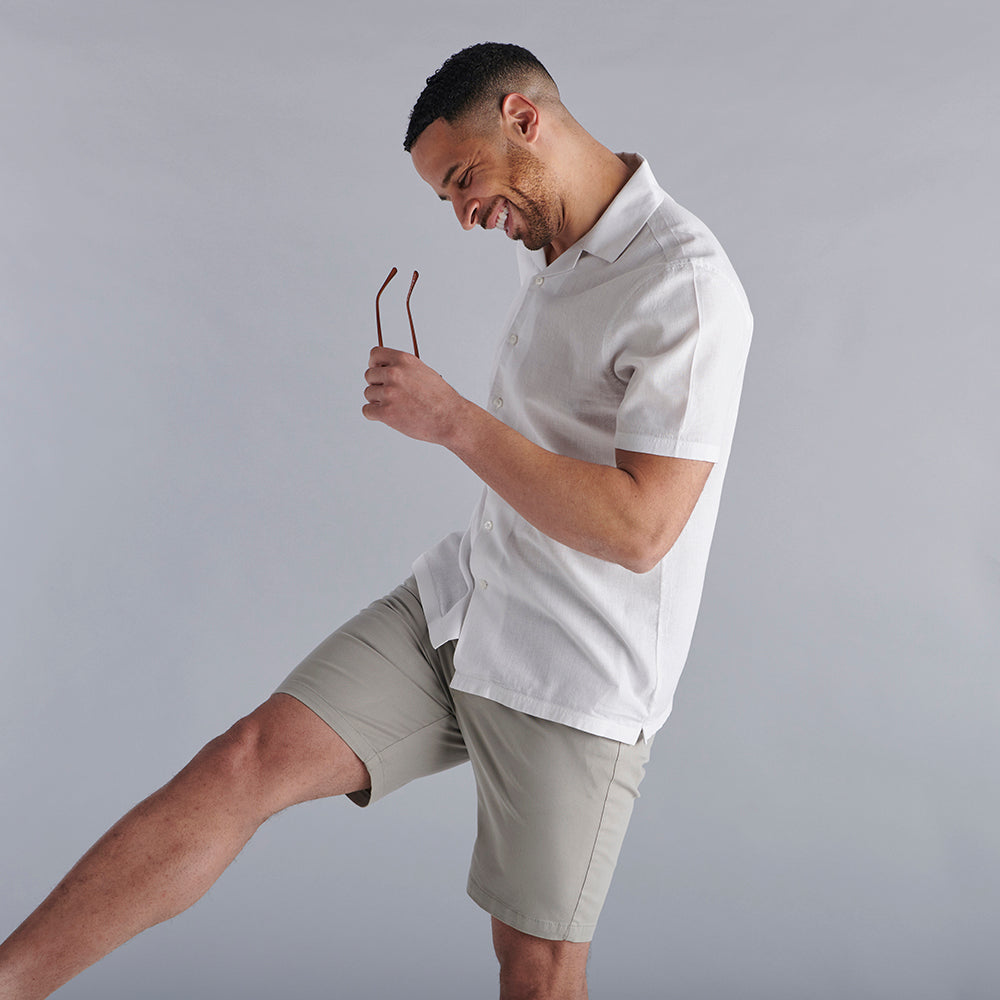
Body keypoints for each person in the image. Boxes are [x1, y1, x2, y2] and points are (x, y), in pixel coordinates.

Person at [0, 42, 752, 1000]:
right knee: (244, 760)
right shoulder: (556, 246)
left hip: (577, 668)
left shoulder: (684, 284)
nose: (464, 213)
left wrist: (451, 421)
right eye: (447, 196)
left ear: (524, 119)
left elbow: (642, 530)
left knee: (535, 967)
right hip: (467, 603)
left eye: (463, 179)